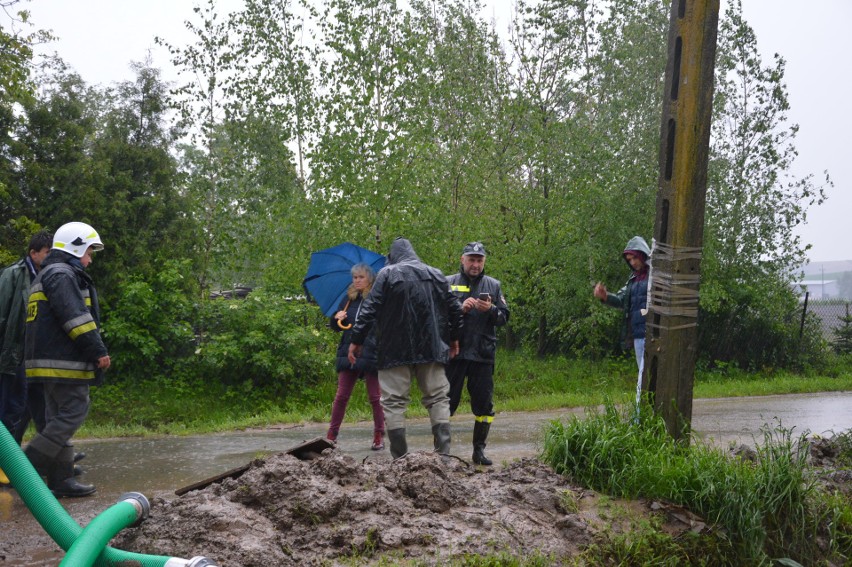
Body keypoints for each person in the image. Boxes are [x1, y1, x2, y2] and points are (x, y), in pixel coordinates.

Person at [347, 237, 463, 459]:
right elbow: (456, 310)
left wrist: (356, 340)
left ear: (392, 257)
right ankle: (444, 455)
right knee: (438, 397)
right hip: (431, 347)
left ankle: (400, 459)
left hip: (393, 351)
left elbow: (370, 308)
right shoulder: (435, 274)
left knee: (393, 402)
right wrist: (455, 338)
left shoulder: (386, 275)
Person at [23, 222, 110, 497]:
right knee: (73, 411)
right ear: (75, 247)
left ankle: (61, 480)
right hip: (63, 363)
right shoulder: (62, 274)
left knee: (55, 419)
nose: (90, 259)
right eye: (88, 251)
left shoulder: (48, 272)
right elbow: (76, 319)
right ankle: (27, 465)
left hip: (47, 362)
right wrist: (97, 350)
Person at [446, 242, 510, 466]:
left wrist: (491, 310)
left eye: (479, 260)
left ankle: (479, 451)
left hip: (482, 355)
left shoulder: (493, 285)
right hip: (455, 353)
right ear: (462, 259)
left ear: (484, 262)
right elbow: (438, 315)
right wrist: (459, 308)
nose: (475, 264)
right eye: (471, 259)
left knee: (484, 406)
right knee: (446, 404)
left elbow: (504, 318)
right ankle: (441, 451)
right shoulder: (448, 282)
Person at [0, 230, 52, 485]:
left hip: (33, 357)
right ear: (34, 253)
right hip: (11, 354)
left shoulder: (48, 276)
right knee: (9, 409)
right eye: (47, 253)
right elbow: (2, 314)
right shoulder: (13, 274)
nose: (50, 257)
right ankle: (5, 466)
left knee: (26, 409)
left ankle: (38, 461)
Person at [326, 263, 385, 450]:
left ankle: (379, 435)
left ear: (370, 278)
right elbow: (336, 328)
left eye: (361, 277)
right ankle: (331, 435)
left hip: (371, 351)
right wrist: (337, 318)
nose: (357, 281)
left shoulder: (377, 298)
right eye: (354, 277)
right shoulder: (348, 299)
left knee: (375, 397)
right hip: (347, 350)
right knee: (342, 395)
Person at [593, 236, 651, 408]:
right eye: (629, 260)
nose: (633, 262)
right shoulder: (632, 280)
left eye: (634, 257)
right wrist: (605, 296)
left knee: (644, 377)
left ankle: (639, 417)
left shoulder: (655, 275)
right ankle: (645, 415)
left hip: (654, 334)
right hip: (637, 336)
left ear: (642, 254)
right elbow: (620, 299)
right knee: (644, 376)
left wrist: (646, 313)